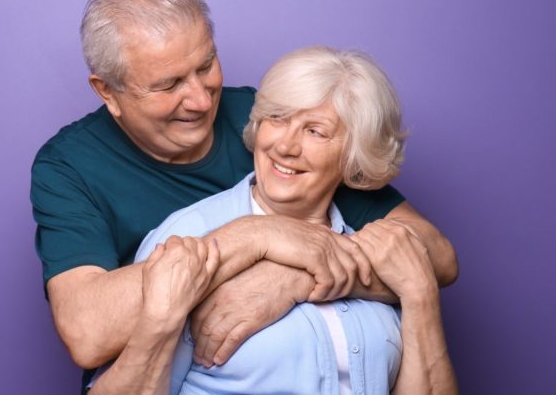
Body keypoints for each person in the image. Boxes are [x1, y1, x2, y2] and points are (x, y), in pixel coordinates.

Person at [29, 0, 458, 391]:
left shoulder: (267, 121)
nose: (199, 99)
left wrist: (291, 278)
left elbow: (435, 255)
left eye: (206, 65)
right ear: (107, 92)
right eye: (168, 85)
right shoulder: (68, 167)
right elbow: (89, 333)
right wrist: (254, 237)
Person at [91, 46, 458, 394]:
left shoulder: (383, 252)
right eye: (277, 119)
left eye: (315, 131)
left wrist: (419, 293)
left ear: (354, 154)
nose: (285, 146)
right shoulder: (190, 235)